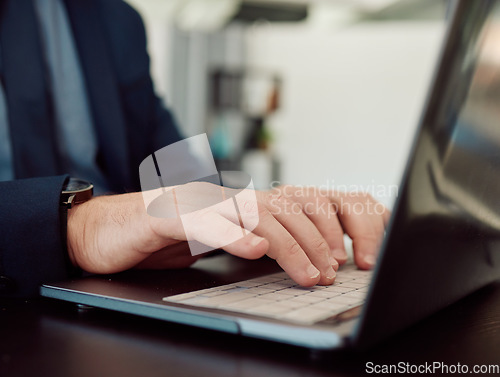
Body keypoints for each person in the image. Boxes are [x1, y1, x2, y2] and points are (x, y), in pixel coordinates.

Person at [0, 0, 389, 298]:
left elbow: (189, 184)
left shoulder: (115, 20)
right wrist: (79, 228)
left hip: (119, 301)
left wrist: (268, 209)